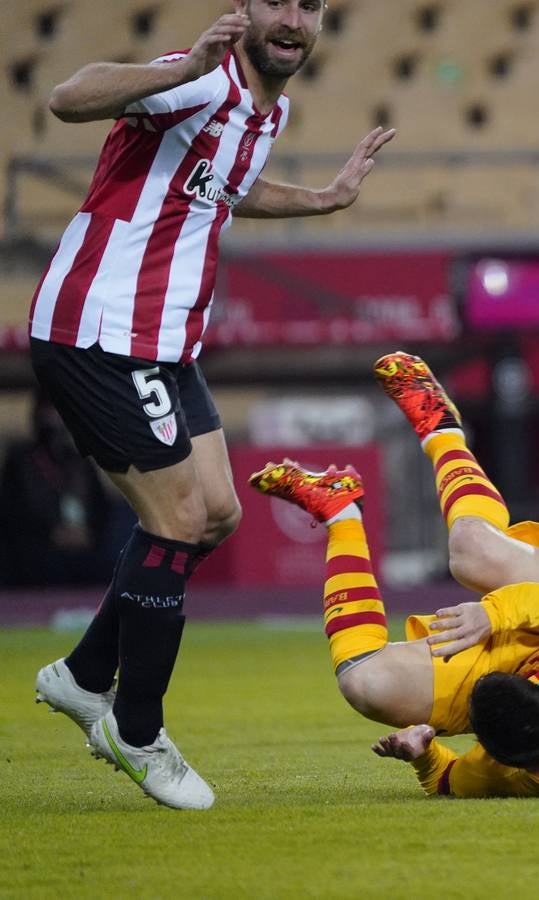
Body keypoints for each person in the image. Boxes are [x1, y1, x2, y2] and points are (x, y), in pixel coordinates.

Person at [30, 1, 395, 810]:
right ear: (244, 9)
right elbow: (68, 95)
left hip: (166, 343)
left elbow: (229, 187)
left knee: (219, 514)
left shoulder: (272, 106)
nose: (295, 17)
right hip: (102, 329)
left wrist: (326, 198)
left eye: (312, 5)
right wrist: (187, 65)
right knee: (177, 520)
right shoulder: (196, 79)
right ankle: (135, 726)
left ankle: (86, 673)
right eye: (278, 1)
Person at [249, 352, 539, 798]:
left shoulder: (503, 770)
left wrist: (422, 754)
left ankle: (340, 510)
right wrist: (495, 613)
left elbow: (446, 781)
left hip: (510, 659)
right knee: (471, 551)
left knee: (363, 683)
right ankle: (441, 429)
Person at [0, 387, 127, 587]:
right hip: (37, 550)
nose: (53, 419)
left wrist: (86, 533)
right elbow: (12, 511)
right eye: (48, 411)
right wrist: (51, 533)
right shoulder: (20, 459)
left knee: (109, 568)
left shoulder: (78, 461)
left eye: (58, 412)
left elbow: (101, 507)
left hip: (84, 547)